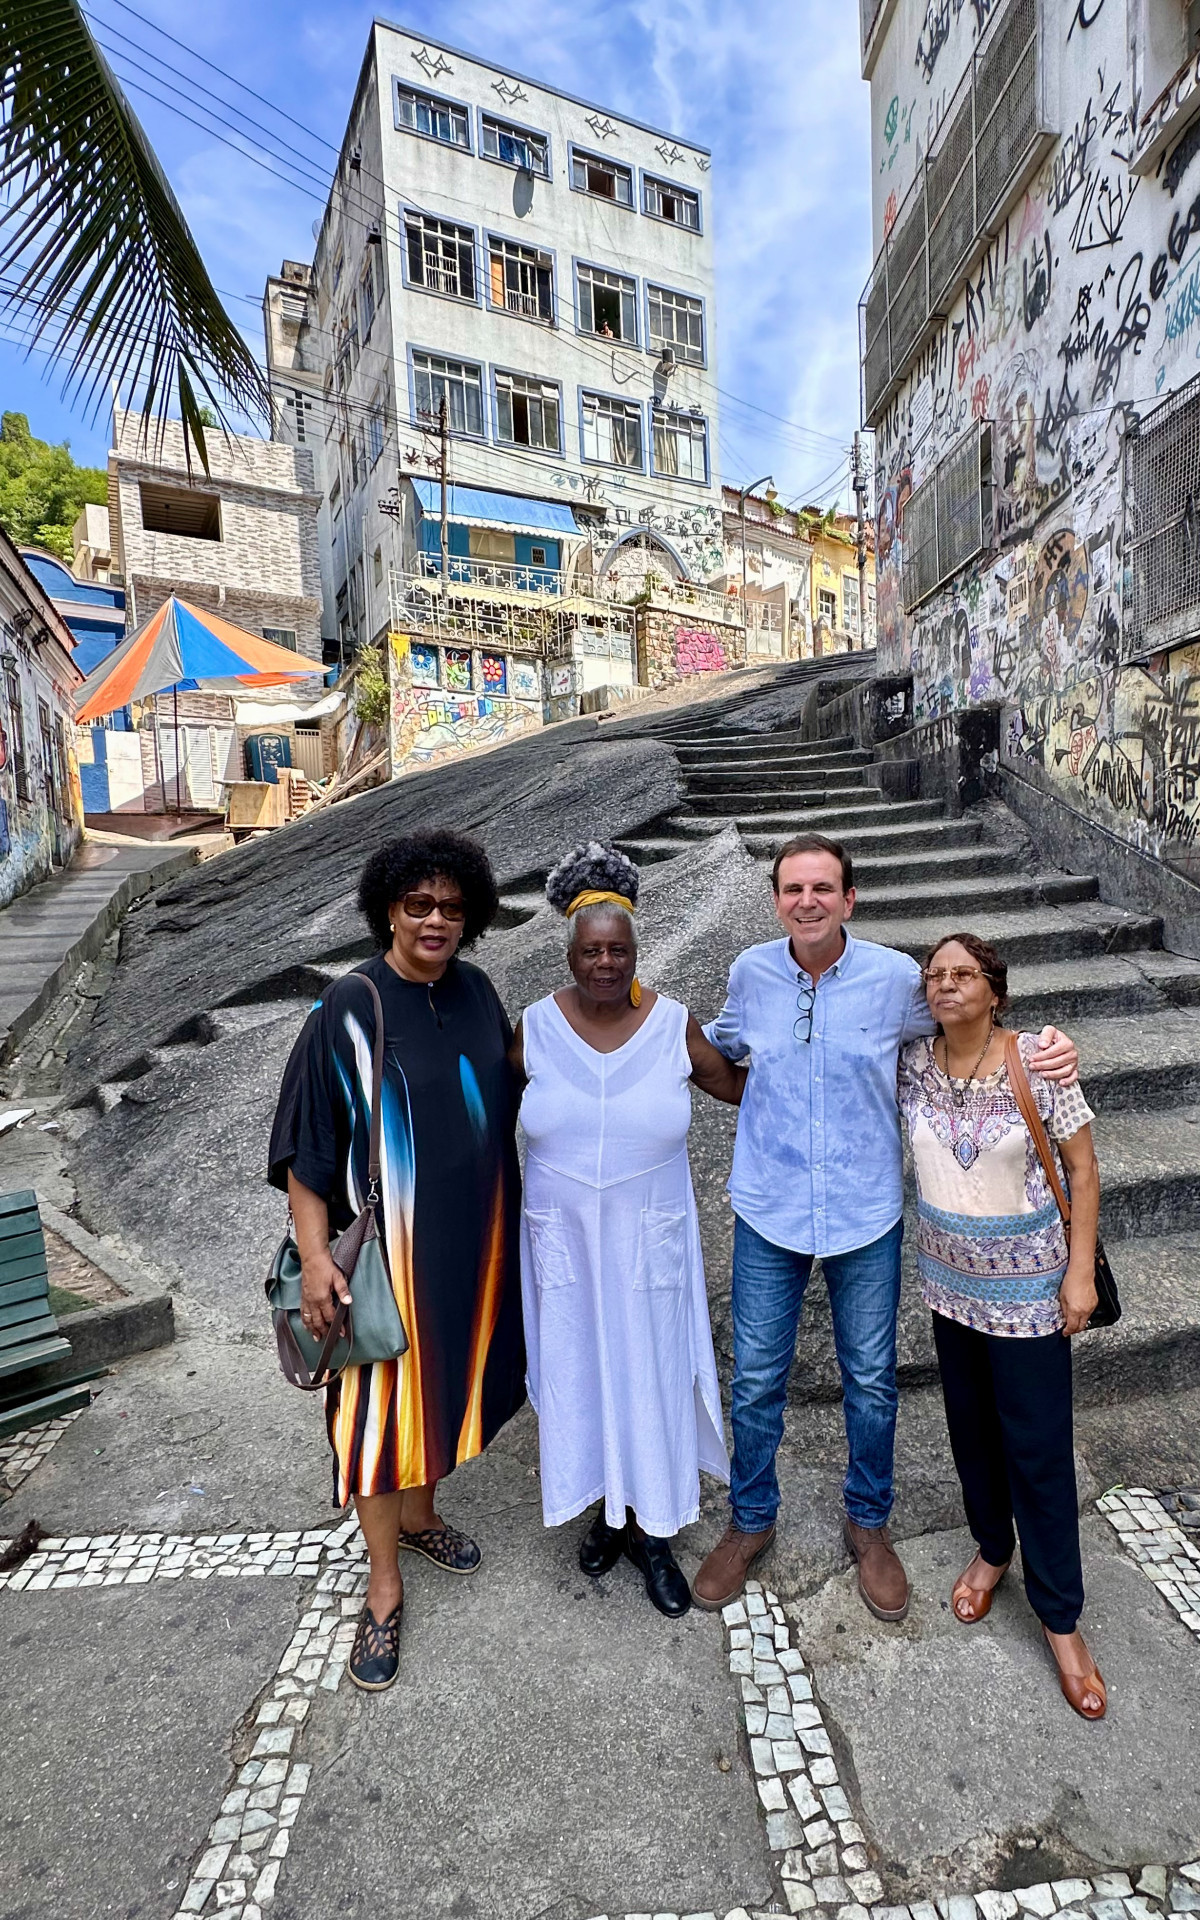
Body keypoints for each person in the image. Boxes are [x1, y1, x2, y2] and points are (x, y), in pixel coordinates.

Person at [692, 832, 1080, 1621]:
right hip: (768, 1207)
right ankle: (751, 1519)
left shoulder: (897, 979)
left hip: (865, 1212)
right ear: (776, 900)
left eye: (823, 888)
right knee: (757, 1378)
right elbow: (727, 1057)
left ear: (849, 899)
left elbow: (962, 1019)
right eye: (793, 889)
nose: (808, 901)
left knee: (870, 1382)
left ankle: (869, 1524)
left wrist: (1045, 1047)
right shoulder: (750, 974)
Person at [268, 829, 525, 1692]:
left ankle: (421, 1514)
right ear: (388, 907)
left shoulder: (480, 991)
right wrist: (314, 1261)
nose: (437, 920)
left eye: (454, 908)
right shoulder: (347, 1007)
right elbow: (307, 1155)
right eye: (420, 904)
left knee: (445, 1389)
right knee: (376, 1420)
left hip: (470, 1255)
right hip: (383, 1265)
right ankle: (382, 1588)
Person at [509, 843, 745, 1617]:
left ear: (637, 950)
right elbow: (468, 1108)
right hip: (564, 1242)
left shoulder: (674, 1025)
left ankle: (652, 1533)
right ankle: (602, 1509)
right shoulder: (534, 1030)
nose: (605, 963)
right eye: (591, 951)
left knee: (651, 1374)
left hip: (650, 1239)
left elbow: (740, 1088)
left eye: (619, 950)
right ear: (570, 954)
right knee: (578, 1366)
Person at [898, 932, 1105, 1719]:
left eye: (964, 974)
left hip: (1029, 1295)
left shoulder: (1037, 1062)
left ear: (996, 990)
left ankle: (1061, 1619)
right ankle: (992, 1548)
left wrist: (1078, 1275)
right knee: (972, 1434)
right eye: (936, 975)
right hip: (948, 1291)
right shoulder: (913, 1063)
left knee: (1039, 1452)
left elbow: (1082, 1169)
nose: (946, 985)